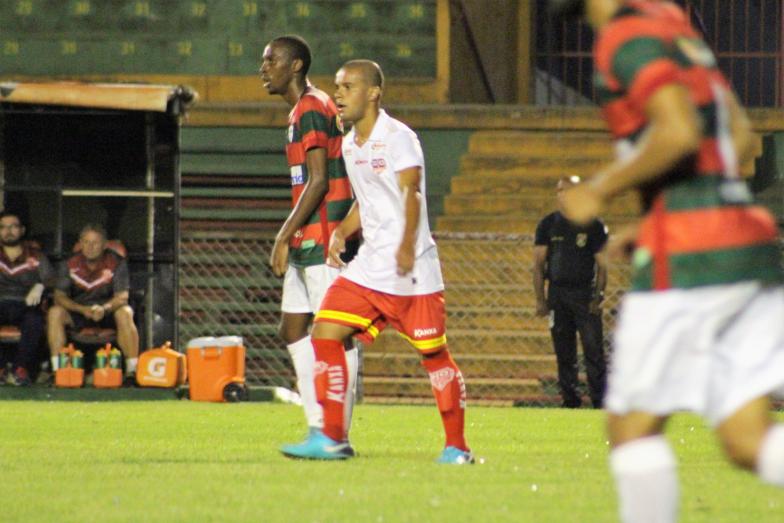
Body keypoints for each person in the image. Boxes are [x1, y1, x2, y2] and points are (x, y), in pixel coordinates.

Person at [549, 0, 784, 521]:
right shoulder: (673, 26)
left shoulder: (624, 38)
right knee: (747, 441)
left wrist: (599, 189)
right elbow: (740, 138)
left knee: (633, 428)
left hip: (691, 255)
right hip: (740, 239)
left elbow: (676, 133)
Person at [280, 59, 473, 464]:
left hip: (412, 270)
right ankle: (332, 438)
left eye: (348, 86)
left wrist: (406, 244)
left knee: (433, 354)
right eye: (337, 86)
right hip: (369, 267)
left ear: (373, 93)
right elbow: (366, 202)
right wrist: (341, 231)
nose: (338, 94)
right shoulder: (350, 144)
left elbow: (412, 193)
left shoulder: (398, 137)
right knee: (325, 332)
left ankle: (457, 447)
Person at [259, 35, 359, 446]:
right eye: (263, 61)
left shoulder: (312, 107)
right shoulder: (302, 109)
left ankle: (336, 430)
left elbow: (318, 181)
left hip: (323, 240)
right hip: (308, 241)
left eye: (272, 60)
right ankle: (319, 422)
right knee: (293, 328)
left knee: (336, 334)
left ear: (296, 65)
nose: (263, 68)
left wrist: (283, 235)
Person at [533, 176, 608, 408]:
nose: (561, 195)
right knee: (564, 351)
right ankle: (570, 400)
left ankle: (600, 401)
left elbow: (603, 265)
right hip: (558, 294)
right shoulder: (548, 224)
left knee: (593, 350)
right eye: (558, 190)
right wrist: (541, 300)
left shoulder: (593, 225)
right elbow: (538, 264)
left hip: (584, 295)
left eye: (566, 190)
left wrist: (598, 296)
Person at [47, 224, 139, 383]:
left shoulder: (117, 262)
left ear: (104, 245)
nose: (90, 247)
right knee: (55, 311)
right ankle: (57, 370)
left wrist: (104, 308)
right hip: (79, 311)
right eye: (86, 242)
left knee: (126, 311)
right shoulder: (69, 263)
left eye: (95, 243)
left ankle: (132, 371)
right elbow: (59, 296)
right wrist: (81, 309)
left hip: (108, 311)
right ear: (80, 243)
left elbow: (122, 296)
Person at [0, 211, 53, 386]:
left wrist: (40, 286)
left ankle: (20, 369)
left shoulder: (36, 256)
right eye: (3, 227)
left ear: (22, 230)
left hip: (25, 304)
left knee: (34, 320)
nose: (8, 231)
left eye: (13, 226)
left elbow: (51, 279)